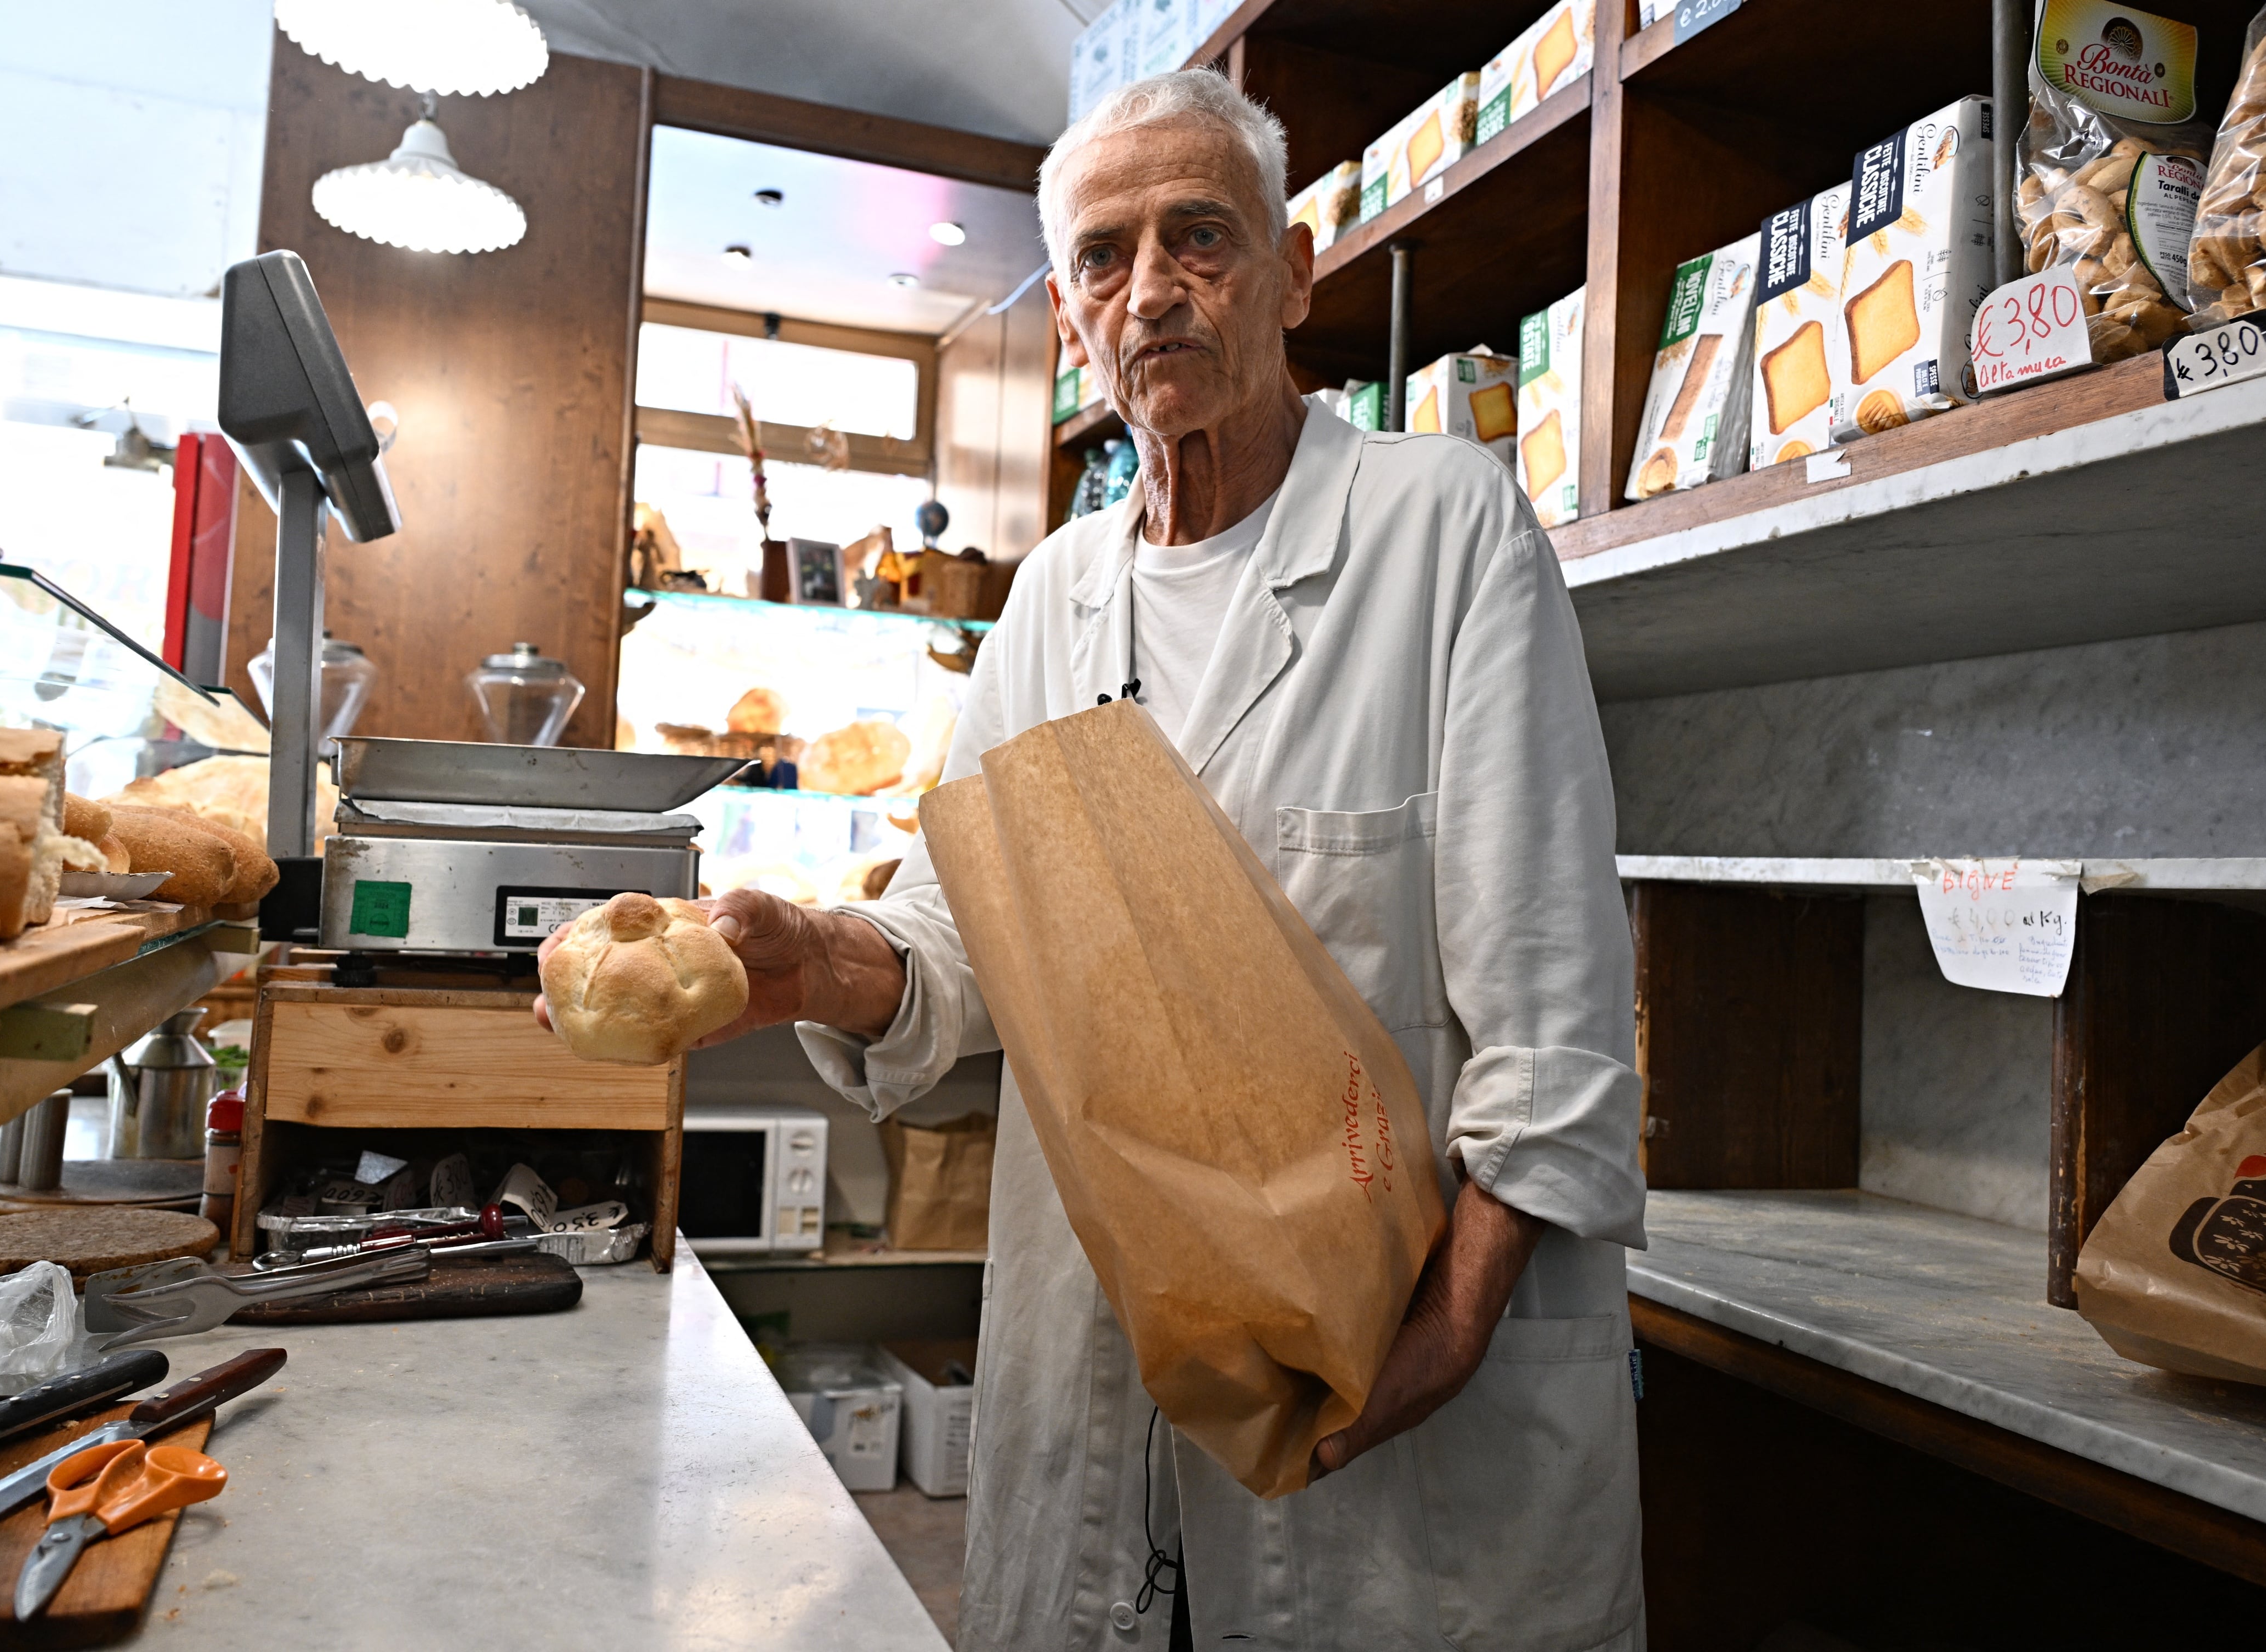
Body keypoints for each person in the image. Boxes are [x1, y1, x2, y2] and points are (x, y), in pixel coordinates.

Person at [550, 67, 1646, 1651]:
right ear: (1070, 318)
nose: (1152, 293)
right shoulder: (1052, 599)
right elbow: (950, 951)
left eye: (1197, 238)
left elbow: (1550, 1007)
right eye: (1103, 260)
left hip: (1399, 1383)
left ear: (1292, 269)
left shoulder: (1442, 529)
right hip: (1113, 1364)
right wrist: (809, 958)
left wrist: (1450, 1330)